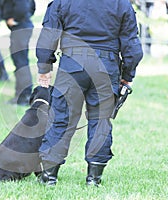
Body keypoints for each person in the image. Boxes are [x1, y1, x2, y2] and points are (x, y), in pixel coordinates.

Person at [36, 0, 143, 186]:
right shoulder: (122, 3)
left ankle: (49, 176)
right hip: (106, 67)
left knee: (62, 118)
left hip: (72, 64)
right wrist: (127, 75)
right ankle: (94, 178)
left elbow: (49, 34)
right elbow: (131, 43)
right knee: (101, 121)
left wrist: (44, 66)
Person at [2, 0, 36, 105]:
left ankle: (25, 96)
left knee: (21, 63)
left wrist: (15, 19)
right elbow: (32, 7)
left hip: (21, 27)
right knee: (19, 62)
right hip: (21, 27)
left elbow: (23, 7)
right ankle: (19, 95)